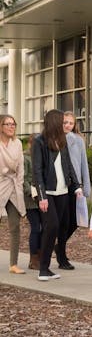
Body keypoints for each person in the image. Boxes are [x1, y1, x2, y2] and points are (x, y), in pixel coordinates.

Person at [31, 109, 82, 281]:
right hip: (48, 192)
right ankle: (43, 269)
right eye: (62, 121)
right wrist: (42, 196)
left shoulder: (62, 140)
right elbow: (37, 171)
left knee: (62, 225)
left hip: (63, 191)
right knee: (51, 226)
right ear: (54, 122)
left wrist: (76, 186)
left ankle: (53, 262)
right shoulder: (39, 142)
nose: (65, 124)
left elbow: (68, 165)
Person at [54, 111, 91, 270]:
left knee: (75, 222)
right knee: (63, 222)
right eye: (64, 122)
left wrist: (85, 185)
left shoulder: (78, 141)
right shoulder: (55, 140)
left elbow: (83, 163)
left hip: (75, 186)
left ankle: (58, 245)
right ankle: (61, 256)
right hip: (61, 185)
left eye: (70, 123)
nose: (68, 125)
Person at [0, 115, 26, 274]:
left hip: (14, 186)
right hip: (0, 185)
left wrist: (20, 184)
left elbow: (21, 167)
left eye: (13, 124)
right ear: (1, 126)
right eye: (8, 124)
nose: (11, 127)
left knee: (15, 226)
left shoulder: (17, 143)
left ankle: (13, 264)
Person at [23, 135, 42, 270]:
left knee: (45, 228)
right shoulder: (25, 158)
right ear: (30, 144)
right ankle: (33, 259)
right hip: (31, 199)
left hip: (43, 197)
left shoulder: (42, 158)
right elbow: (23, 180)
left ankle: (41, 256)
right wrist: (32, 193)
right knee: (36, 228)